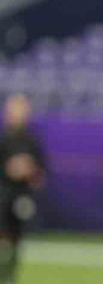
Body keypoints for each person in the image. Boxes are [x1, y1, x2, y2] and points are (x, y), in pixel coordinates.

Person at [0, 94, 44, 284]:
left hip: (21, 196)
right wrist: (10, 169)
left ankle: (10, 275)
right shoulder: (3, 140)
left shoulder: (32, 141)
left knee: (16, 237)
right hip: (3, 194)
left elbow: (41, 171)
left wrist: (29, 170)